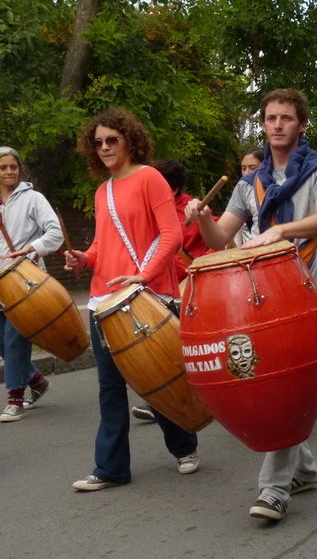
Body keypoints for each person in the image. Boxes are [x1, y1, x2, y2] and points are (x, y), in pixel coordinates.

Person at [184, 88, 317, 522]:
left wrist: (279, 230)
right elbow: (220, 240)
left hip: (305, 290)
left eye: (286, 118)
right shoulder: (248, 183)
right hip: (259, 297)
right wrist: (204, 217)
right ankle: (303, 470)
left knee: (285, 384)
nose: (277, 125)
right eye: (271, 118)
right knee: (278, 385)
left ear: (302, 124)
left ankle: (274, 489)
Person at [65, 108, 201, 491]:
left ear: (129, 140)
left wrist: (144, 274)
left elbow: (172, 234)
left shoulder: (149, 178)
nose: (105, 147)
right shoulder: (102, 191)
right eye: (98, 143)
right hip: (104, 300)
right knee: (109, 387)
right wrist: (84, 258)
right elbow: (101, 244)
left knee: (156, 378)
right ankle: (111, 468)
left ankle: (184, 446)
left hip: (147, 294)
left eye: (112, 139)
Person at [130, 158, 215, 423]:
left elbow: (220, 240)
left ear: (174, 188)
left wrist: (199, 268)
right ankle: (166, 403)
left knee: (187, 350)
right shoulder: (146, 209)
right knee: (164, 351)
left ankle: (196, 401)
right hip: (157, 288)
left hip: (191, 290)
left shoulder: (194, 209)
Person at [0, 146, 63, 422]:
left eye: (13, 167)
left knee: (15, 339)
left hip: (25, 281)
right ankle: (36, 381)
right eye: (3, 167)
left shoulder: (33, 199)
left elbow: (55, 233)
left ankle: (15, 399)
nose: (9, 172)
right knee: (2, 342)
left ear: (19, 169)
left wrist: (31, 249)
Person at [234, 148, 264, 247]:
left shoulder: (272, 195)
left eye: (252, 168)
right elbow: (236, 242)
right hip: (247, 254)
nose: (246, 173)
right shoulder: (241, 195)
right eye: (243, 168)